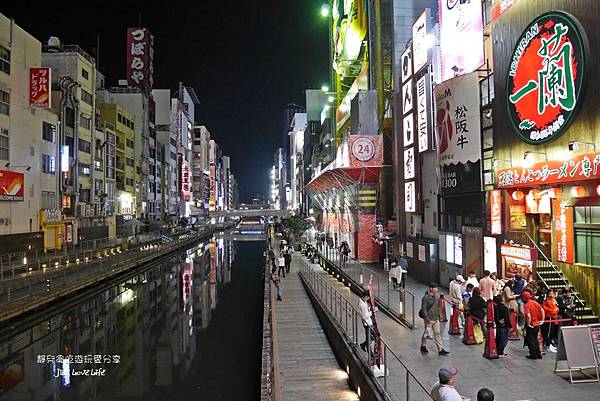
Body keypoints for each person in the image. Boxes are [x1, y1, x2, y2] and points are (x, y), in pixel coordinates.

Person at [420, 283, 450, 355]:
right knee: (426, 332)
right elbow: (424, 309)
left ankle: (440, 349)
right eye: (435, 288)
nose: (436, 289)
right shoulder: (425, 298)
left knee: (437, 333)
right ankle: (423, 345)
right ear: (431, 288)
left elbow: (438, 307)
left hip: (435, 318)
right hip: (429, 318)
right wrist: (427, 318)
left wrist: (440, 317)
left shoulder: (437, 297)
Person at [522, 290, 545, 360]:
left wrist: (528, 324)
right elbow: (542, 310)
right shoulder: (535, 302)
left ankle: (533, 355)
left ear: (523, 298)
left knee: (531, 340)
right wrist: (542, 320)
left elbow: (528, 316)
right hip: (537, 324)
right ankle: (538, 354)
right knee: (535, 340)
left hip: (531, 324)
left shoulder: (526, 305)